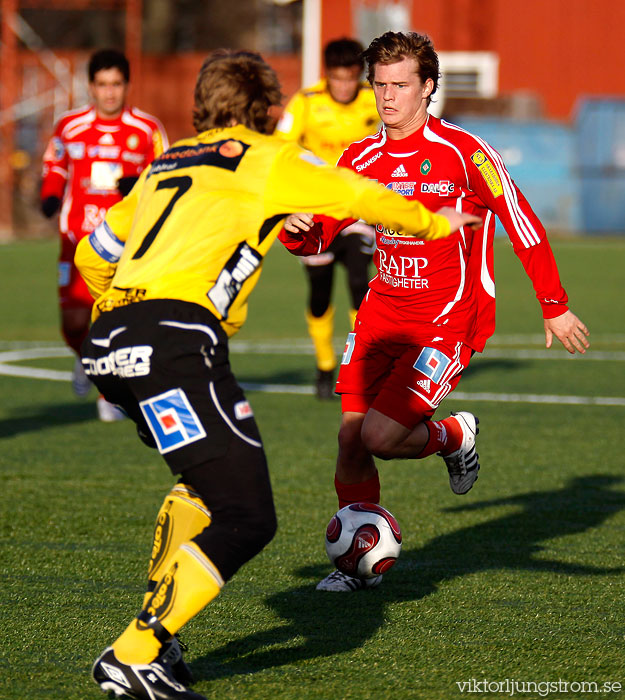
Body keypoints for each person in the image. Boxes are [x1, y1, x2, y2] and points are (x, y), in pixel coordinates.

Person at [74, 49, 480, 700]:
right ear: (267, 109)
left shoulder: (165, 163)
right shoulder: (263, 158)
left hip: (113, 343)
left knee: (203, 487)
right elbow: (356, 193)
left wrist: (118, 322)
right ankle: (133, 652)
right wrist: (434, 221)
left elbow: (95, 252)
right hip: (174, 343)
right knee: (248, 516)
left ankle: (159, 641)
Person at [279, 31, 590, 592]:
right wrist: (299, 234)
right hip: (380, 314)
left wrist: (555, 306)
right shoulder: (359, 158)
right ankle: (352, 566)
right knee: (351, 438)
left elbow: (520, 217)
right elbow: (324, 223)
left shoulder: (463, 153)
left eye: (401, 85)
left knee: (377, 436)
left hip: (445, 321)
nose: (388, 96)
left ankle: (451, 436)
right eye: (380, 85)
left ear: (428, 88)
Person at [41, 48, 168, 421]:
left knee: (119, 319)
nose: (109, 92)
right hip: (78, 239)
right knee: (75, 323)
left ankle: (107, 395)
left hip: (127, 242)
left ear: (126, 85)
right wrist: (50, 194)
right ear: (91, 86)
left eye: (116, 84)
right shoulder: (70, 126)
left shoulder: (146, 129)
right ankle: (85, 360)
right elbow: (55, 164)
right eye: (102, 85)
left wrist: (137, 183)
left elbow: (166, 175)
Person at [274, 38, 380, 398]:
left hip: (357, 212)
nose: (345, 86)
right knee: (319, 291)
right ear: (328, 76)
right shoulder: (306, 102)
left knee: (357, 282)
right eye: (338, 78)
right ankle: (324, 365)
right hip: (315, 214)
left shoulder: (375, 98)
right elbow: (280, 149)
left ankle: (360, 364)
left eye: (351, 77)